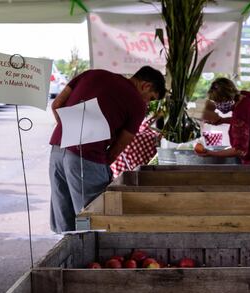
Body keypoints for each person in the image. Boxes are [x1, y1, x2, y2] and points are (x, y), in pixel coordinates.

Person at [49, 66, 166, 233]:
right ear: (145, 86)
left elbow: (57, 104)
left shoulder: (92, 73)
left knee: (63, 214)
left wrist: (70, 129)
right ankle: (87, 255)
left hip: (57, 149)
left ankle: (64, 254)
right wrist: (102, 164)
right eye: (151, 98)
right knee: (91, 216)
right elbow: (118, 148)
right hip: (88, 157)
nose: (147, 102)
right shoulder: (137, 102)